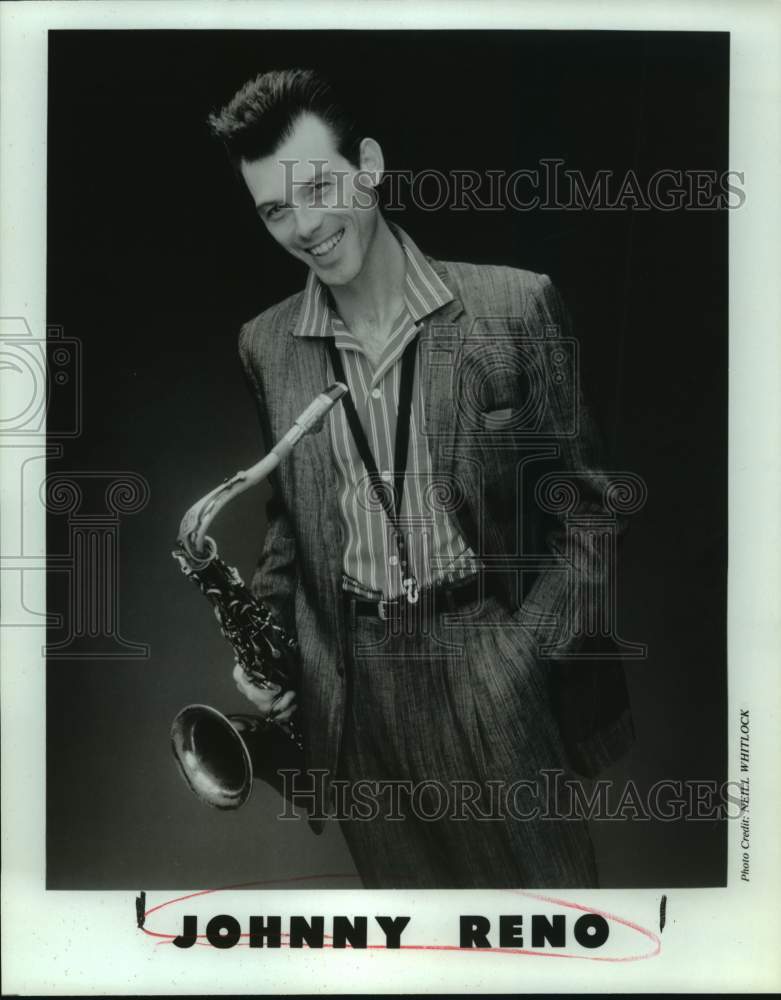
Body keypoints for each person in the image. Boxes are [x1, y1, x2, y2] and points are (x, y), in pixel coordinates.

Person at [207, 68, 634, 888]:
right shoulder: (264, 346)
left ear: (368, 164)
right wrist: (267, 647)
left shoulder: (514, 307)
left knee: (552, 946)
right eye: (273, 211)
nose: (305, 226)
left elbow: (593, 513)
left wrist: (523, 659)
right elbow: (291, 522)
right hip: (354, 694)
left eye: (319, 187)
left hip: (487, 655)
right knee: (419, 957)